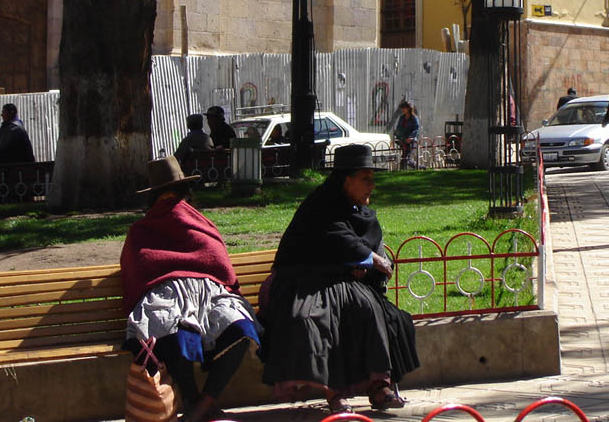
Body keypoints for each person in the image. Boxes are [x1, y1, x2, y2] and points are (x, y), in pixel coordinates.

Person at [259, 144, 419, 414]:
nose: (372, 186)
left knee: (369, 310)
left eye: (373, 179)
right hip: (303, 281)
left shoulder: (362, 213)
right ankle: (335, 395)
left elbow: (362, 247)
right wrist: (361, 260)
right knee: (319, 317)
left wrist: (361, 264)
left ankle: (379, 386)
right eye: (365, 179)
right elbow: (333, 241)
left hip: (344, 283)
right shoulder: (320, 206)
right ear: (346, 180)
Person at [121, 156, 262, 422]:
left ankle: (199, 405)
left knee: (240, 327)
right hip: (169, 294)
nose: (173, 204)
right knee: (170, 329)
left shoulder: (148, 228)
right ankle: (198, 402)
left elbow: (214, 259)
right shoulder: (148, 229)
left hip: (207, 293)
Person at [394, 100, 420, 169]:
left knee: (406, 157)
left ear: (408, 108)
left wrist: (411, 137)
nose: (402, 109)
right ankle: (418, 167)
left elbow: (416, 129)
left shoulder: (414, 118)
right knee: (405, 157)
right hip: (403, 140)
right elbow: (398, 128)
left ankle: (419, 167)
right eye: (402, 108)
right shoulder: (402, 117)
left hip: (410, 141)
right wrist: (397, 136)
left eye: (403, 108)